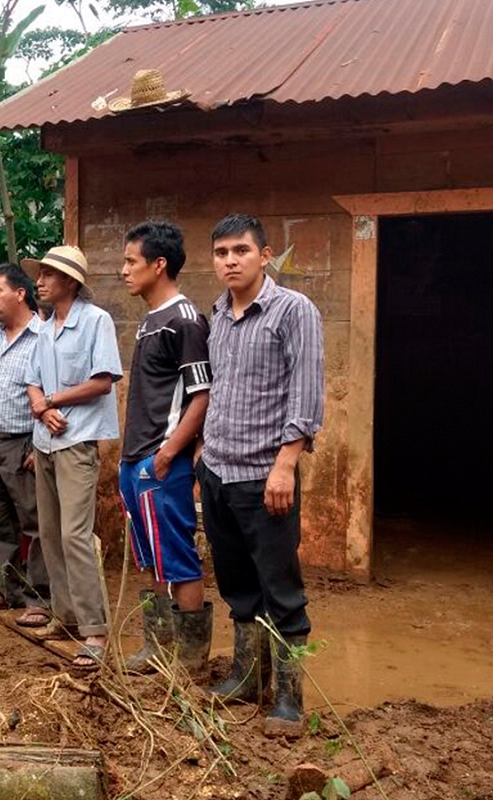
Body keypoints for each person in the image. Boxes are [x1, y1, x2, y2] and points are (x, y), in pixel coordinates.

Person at [197, 213, 324, 737]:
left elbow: (307, 391)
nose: (230, 260)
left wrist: (286, 464)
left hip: (264, 475)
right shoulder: (218, 314)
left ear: (265, 255)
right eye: (222, 252)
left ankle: (289, 700)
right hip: (219, 470)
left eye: (241, 251)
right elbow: (218, 388)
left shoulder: (293, 310)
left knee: (280, 587)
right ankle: (248, 678)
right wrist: (203, 451)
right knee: (236, 583)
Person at [118, 222, 213, 676]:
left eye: (131, 261)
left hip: (161, 461)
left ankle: (191, 664)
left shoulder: (185, 320)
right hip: (136, 458)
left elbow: (202, 395)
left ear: (159, 265)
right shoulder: (150, 319)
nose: (124, 271)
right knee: (152, 555)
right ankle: (157, 648)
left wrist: (169, 452)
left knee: (176, 556)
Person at [23, 245, 122, 669]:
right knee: (49, 532)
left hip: (77, 441)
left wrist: (53, 400)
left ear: (70, 282)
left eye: (48, 274)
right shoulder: (44, 327)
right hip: (44, 441)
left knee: (75, 536)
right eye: (40, 274)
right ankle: (64, 617)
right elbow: (31, 383)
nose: (40, 281)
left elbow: (103, 381)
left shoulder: (96, 321)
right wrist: (43, 407)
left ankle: (95, 630)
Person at [0, 264, 50, 625]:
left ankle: (39, 598)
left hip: (25, 446)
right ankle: (6, 590)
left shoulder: (45, 336)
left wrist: (38, 444)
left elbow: (52, 394)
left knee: (35, 523)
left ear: (20, 293)